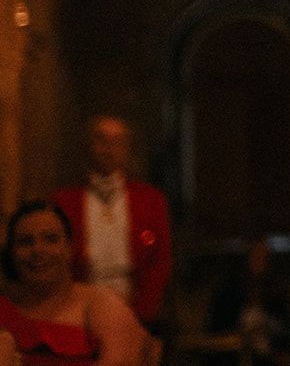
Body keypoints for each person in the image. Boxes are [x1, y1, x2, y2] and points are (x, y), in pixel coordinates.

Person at [49, 116, 171, 329]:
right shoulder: (65, 201)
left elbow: (161, 259)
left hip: (137, 311)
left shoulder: (150, 200)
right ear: (88, 146)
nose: (109, 148)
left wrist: (143, 312)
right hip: (82, 311)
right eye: (101, 140)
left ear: (127, 148)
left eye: (117, 141)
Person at [0, 201, 148, 366]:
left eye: (51, 239)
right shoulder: (5, 307)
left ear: (70, 248)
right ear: (11, 253)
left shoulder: (100, 304)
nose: (38, 250)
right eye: (26, 242)